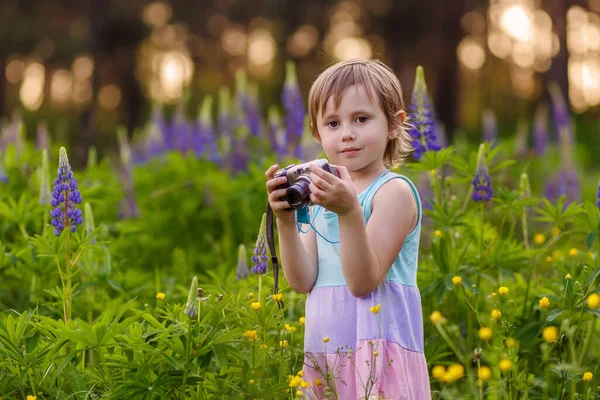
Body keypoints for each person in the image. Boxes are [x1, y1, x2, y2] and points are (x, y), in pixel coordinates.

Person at [265, 58, 431, 399]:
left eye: (361, 118)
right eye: (332, 123)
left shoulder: (393, 193)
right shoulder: (324, 195)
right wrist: (284, 220)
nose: (347, 133)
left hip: (378, 357)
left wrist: (348, 211)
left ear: (394, 124)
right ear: (316, 132)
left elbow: (362, 282)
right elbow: (301, 280)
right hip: (327, 356)